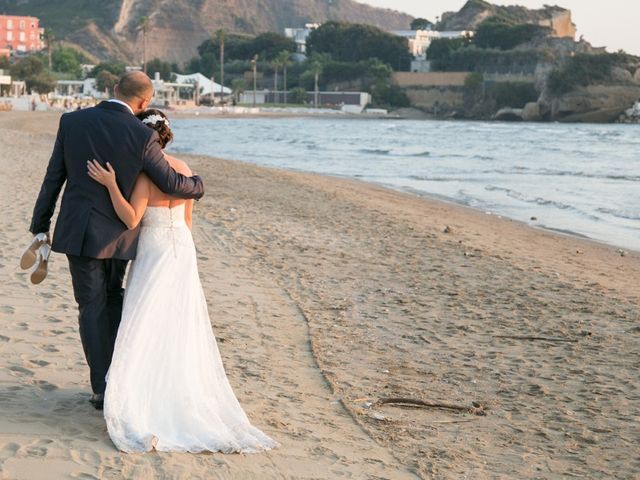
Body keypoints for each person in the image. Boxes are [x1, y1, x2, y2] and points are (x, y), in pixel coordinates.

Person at [87, 109, 277, 453]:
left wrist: (111, 184)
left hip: (155, 249)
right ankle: (178, 388)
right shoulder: (186, 170)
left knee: (145, 320)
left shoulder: (145, 176)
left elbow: (131, 219)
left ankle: (144, 392)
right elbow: (187, 220)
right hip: (182, 249)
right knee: (180, 322)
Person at [29, 72, 204, 410]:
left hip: (79, 232)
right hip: (122, 236)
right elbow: (169, 181)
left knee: (90, 307)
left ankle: (101, 387)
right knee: (113, 299)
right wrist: (198, 185)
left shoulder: (72, 122)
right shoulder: (141, 134)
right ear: (144, 103)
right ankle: (119, 379)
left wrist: (40, 224)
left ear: (113, 90)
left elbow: (54, 178)